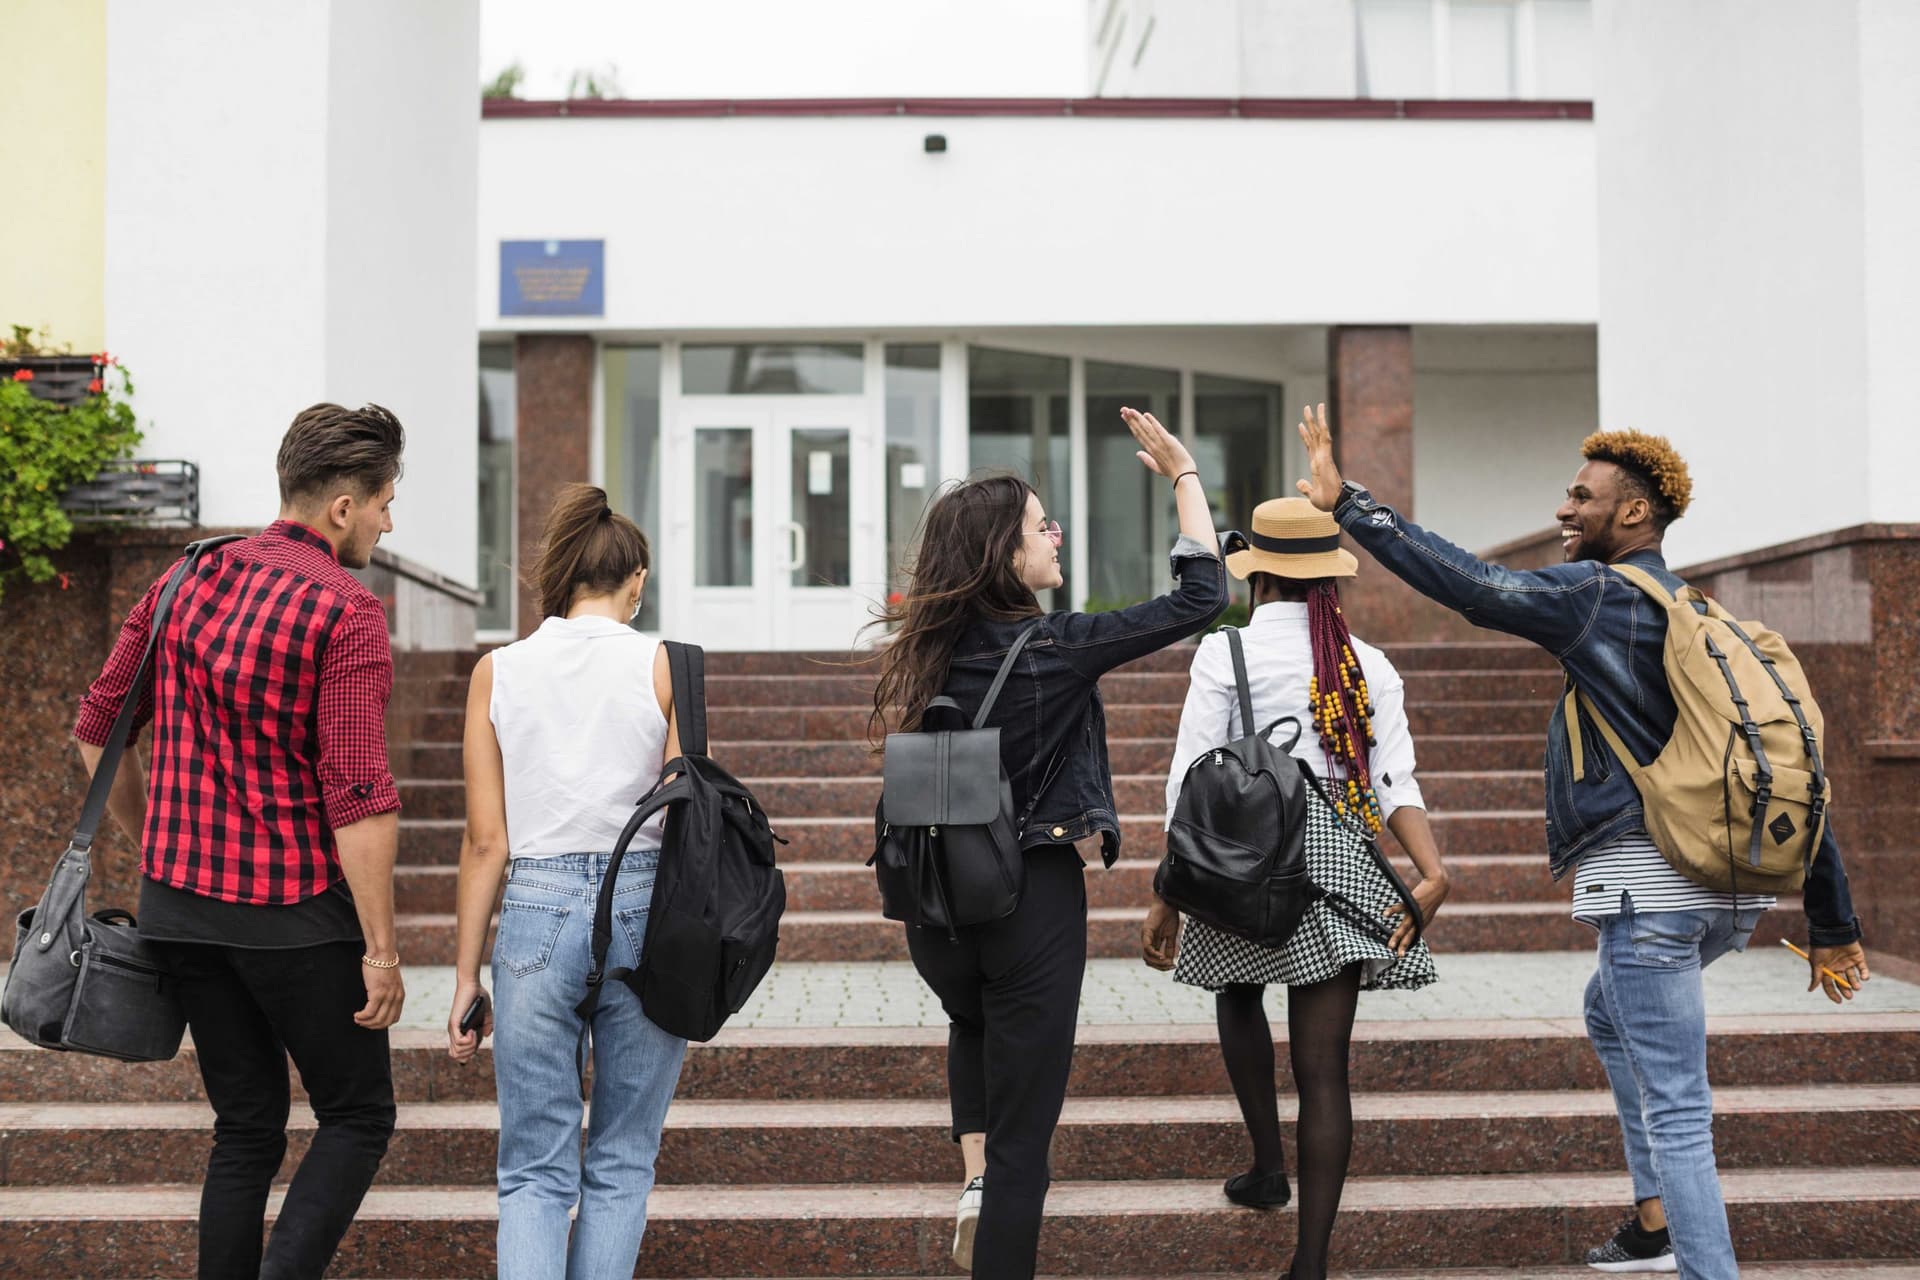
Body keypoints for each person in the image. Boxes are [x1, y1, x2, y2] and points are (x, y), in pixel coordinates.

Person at [1292, 405, 1869, 1278]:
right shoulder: (1705, 618)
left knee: (1679, 1106)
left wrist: (1354, 508)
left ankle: (1696, 1259)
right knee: (1609, 1011)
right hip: (1730, 896)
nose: (1564, 510)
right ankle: (1650, 1221)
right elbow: (1788, 764)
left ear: (1632, 514)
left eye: (1579, 496)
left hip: (1651, 895)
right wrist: (1833, 922)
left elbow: (1479, 589)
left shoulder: (1601, 595)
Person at [870, 408, 1228, 1279]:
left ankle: (971, 1183)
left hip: (935, 903)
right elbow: (1202, 597)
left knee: (971, 1021)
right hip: (1029, 897)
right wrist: (1185, 477)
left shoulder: (922, 650)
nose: (1056, 535)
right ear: (1006, 553)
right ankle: (992, 1204)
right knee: (1026, 1146)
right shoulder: (1053, 648)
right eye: (1042, 526)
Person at [71, 403, 407, 1279]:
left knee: (246, 1126)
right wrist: (381, 948)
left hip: (179, 913)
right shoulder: (347, 609)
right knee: (358, 1115)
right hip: (296, 917)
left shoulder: (186, 579)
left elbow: (98, 727)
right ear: (341, 507)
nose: (387, 518)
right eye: (384, 499)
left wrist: (159, 845)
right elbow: (360, 794)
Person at [1141, 495, 1447, 1280]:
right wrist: (1434, 871)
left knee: (1237, 994)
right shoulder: (1368, 663)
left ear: (1258, 577)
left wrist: (1165, 894)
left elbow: (1189, 777)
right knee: (1324, 1069)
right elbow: (1392, 783)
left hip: (1237, 847)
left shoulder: (1223, 653)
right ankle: (1309, 1264)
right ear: (1326, 582)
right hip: (1338, 855)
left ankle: (1267, 1166)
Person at [446, 483, 686, 1280]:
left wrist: (463, 975)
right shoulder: (666, 666)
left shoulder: (499, 670)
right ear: (636, 580)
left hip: (535, 907)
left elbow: (487, 842)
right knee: (621, 1160)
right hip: (648, 901)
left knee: (533, 1169)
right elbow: (689, 822)